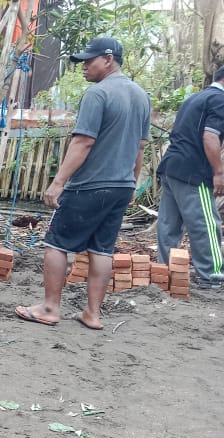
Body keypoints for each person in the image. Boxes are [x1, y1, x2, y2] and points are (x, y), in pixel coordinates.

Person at [15, 38, 151, 330]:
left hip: (90, 184)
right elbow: (140, 147)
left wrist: (58, 182)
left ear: (109, 58)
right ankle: (93, 314)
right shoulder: (141, 96)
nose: (84, 67)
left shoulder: (98, 94)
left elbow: (84, 141)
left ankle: (50, 308)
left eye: (89, 61)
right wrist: (132, 183)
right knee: (101, 249)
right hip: (121, 186)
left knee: (56, 243)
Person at [155, 65, 224, 288]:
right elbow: (210, 137)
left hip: (172, 166)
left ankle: (165, 272)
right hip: (194, 171)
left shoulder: (196, 98)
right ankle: (212, 276)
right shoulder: (219, 100)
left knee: (169, 225)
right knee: (205, 224)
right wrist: (219, 172)